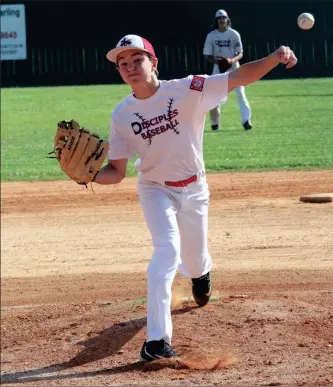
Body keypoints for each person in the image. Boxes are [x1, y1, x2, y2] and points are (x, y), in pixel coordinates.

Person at [95, 34, 297, 361]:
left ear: (154, 63)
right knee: (166, 250)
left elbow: (237, 77)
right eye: (123, 63)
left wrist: (274, 58)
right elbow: (115, 172)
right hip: (155, 189)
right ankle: (157, 342)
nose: (130, 67)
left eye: (137, 60)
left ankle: (201, 275)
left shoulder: (189, 89)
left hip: (194, 189)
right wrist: (87, 174)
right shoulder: (121, 115)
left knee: (193, 260)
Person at [203, 9, 253, 131]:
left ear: (227, 20)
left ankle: (246, 120)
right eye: (219, 19)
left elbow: (240, 53)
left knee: (240, 93)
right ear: (216, 21)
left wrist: (231, 61)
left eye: (223, 18)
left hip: (234, 66)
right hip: (218, 67)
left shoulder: (234, 34)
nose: (221, 20)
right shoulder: (211, 36)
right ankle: (214, 123)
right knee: (215, 94)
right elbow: (207, 55)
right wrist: (219, 62)